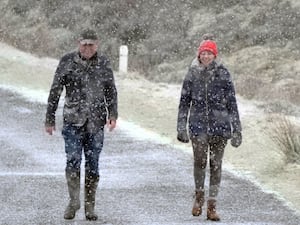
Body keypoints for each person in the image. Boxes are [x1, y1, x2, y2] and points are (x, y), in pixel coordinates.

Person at [45, 28, 118, 221]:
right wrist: (49, 118)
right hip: (72, 121)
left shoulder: (103, 63)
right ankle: (74, 201)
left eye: (91, 45)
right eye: (84, 44)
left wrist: (113, 115)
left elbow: (111, 91)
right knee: (73, 160)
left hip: (96, 123)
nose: (87, 48)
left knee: (93, 165)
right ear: (79, 43)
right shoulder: (67, 61)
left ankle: (89, 206)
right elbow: (55, 90)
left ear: (97, 44)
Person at [176, 35, 242, 221]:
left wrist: (237, 129)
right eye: (203, 53)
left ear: (214, 55)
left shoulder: (223, 73)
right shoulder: (192, 73)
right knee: (199, 162)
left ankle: (212, 205)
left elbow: (232, 103)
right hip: (198, 126)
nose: (205, 56)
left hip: (220, 127)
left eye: (209, 53)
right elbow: (184, 102)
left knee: (216, 165)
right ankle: (199, 197)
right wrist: (181, 126)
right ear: (199, 54)